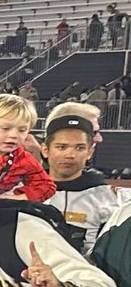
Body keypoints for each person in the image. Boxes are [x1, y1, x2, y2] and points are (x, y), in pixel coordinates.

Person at [42, 104, 115, 251]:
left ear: (89, 152)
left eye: (79, 148)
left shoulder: (108, 199)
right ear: (45, 150)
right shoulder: (23, 190)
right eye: (62, 147)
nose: (70, 155)